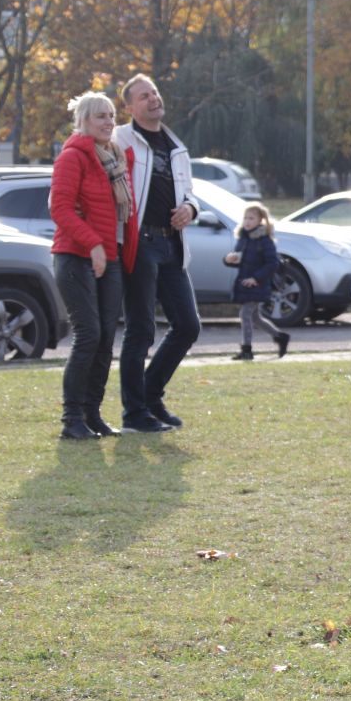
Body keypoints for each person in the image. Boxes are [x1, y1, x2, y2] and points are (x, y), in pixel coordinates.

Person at [112, 74, 200, 434]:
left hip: (172, 244)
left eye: (155, 93)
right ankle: (134, 414)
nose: (153, 99)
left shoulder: (176, 147)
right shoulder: (120, 139)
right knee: (141, 330)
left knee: (188, 326)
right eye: (144, 96)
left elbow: (190, 193)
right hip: (140, 242)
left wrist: (190, 209)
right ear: (129, 107)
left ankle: (150, 395)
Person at [50, 92, 131, 439]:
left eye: (111, 115)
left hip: (108, 257)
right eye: (100, 116)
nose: (109, 122)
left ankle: (92, 415)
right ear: (83, 120)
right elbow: (60, 209)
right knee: (89, 335)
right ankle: (72, 420)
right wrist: (93, 243)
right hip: (74, 256)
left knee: (105, 339)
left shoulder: (114, 158)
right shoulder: (73, 156)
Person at [223, 202, 290, 361]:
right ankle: (280, 337)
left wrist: (256, 278)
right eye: (245, 218)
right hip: (245, 282)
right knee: (255, 317)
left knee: (245, 314)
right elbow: (241, 260)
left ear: (260, 220)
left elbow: (272, 263)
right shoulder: (244, 238)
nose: (247, 221)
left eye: (251, 218)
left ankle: (247, 350)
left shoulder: (265, 240)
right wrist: (229, 259)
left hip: (258, 284)